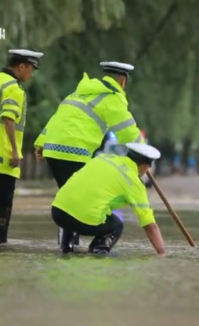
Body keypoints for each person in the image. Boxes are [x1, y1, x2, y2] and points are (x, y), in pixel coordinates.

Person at [33, 61, 145, 249]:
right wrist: (144, 155)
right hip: (74, 151)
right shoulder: (112, 98)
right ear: (123, 81)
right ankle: (71, 247)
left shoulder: (79, 92)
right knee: (75, 201)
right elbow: (128, 133)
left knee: (69, 197)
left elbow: (58, 117)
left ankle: (68, 247)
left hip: (52, 148)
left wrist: (40, 142)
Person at [51, 143, 166, 255]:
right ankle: (97, 253)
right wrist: (162, 253)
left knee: (78, 206)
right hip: (81, 218)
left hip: (58, 210)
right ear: (146, 167)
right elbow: (149, 225)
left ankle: (65, 250)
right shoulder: (134, 183)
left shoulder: (104, 158)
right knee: (116, 225)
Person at [0, 49, 43, 243]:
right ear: (21, 66)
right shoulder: (13, 89)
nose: (30, 74)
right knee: (2, 211)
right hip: (3, 159)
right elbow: (8, 119)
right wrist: (15, 151)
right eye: (30, 69)